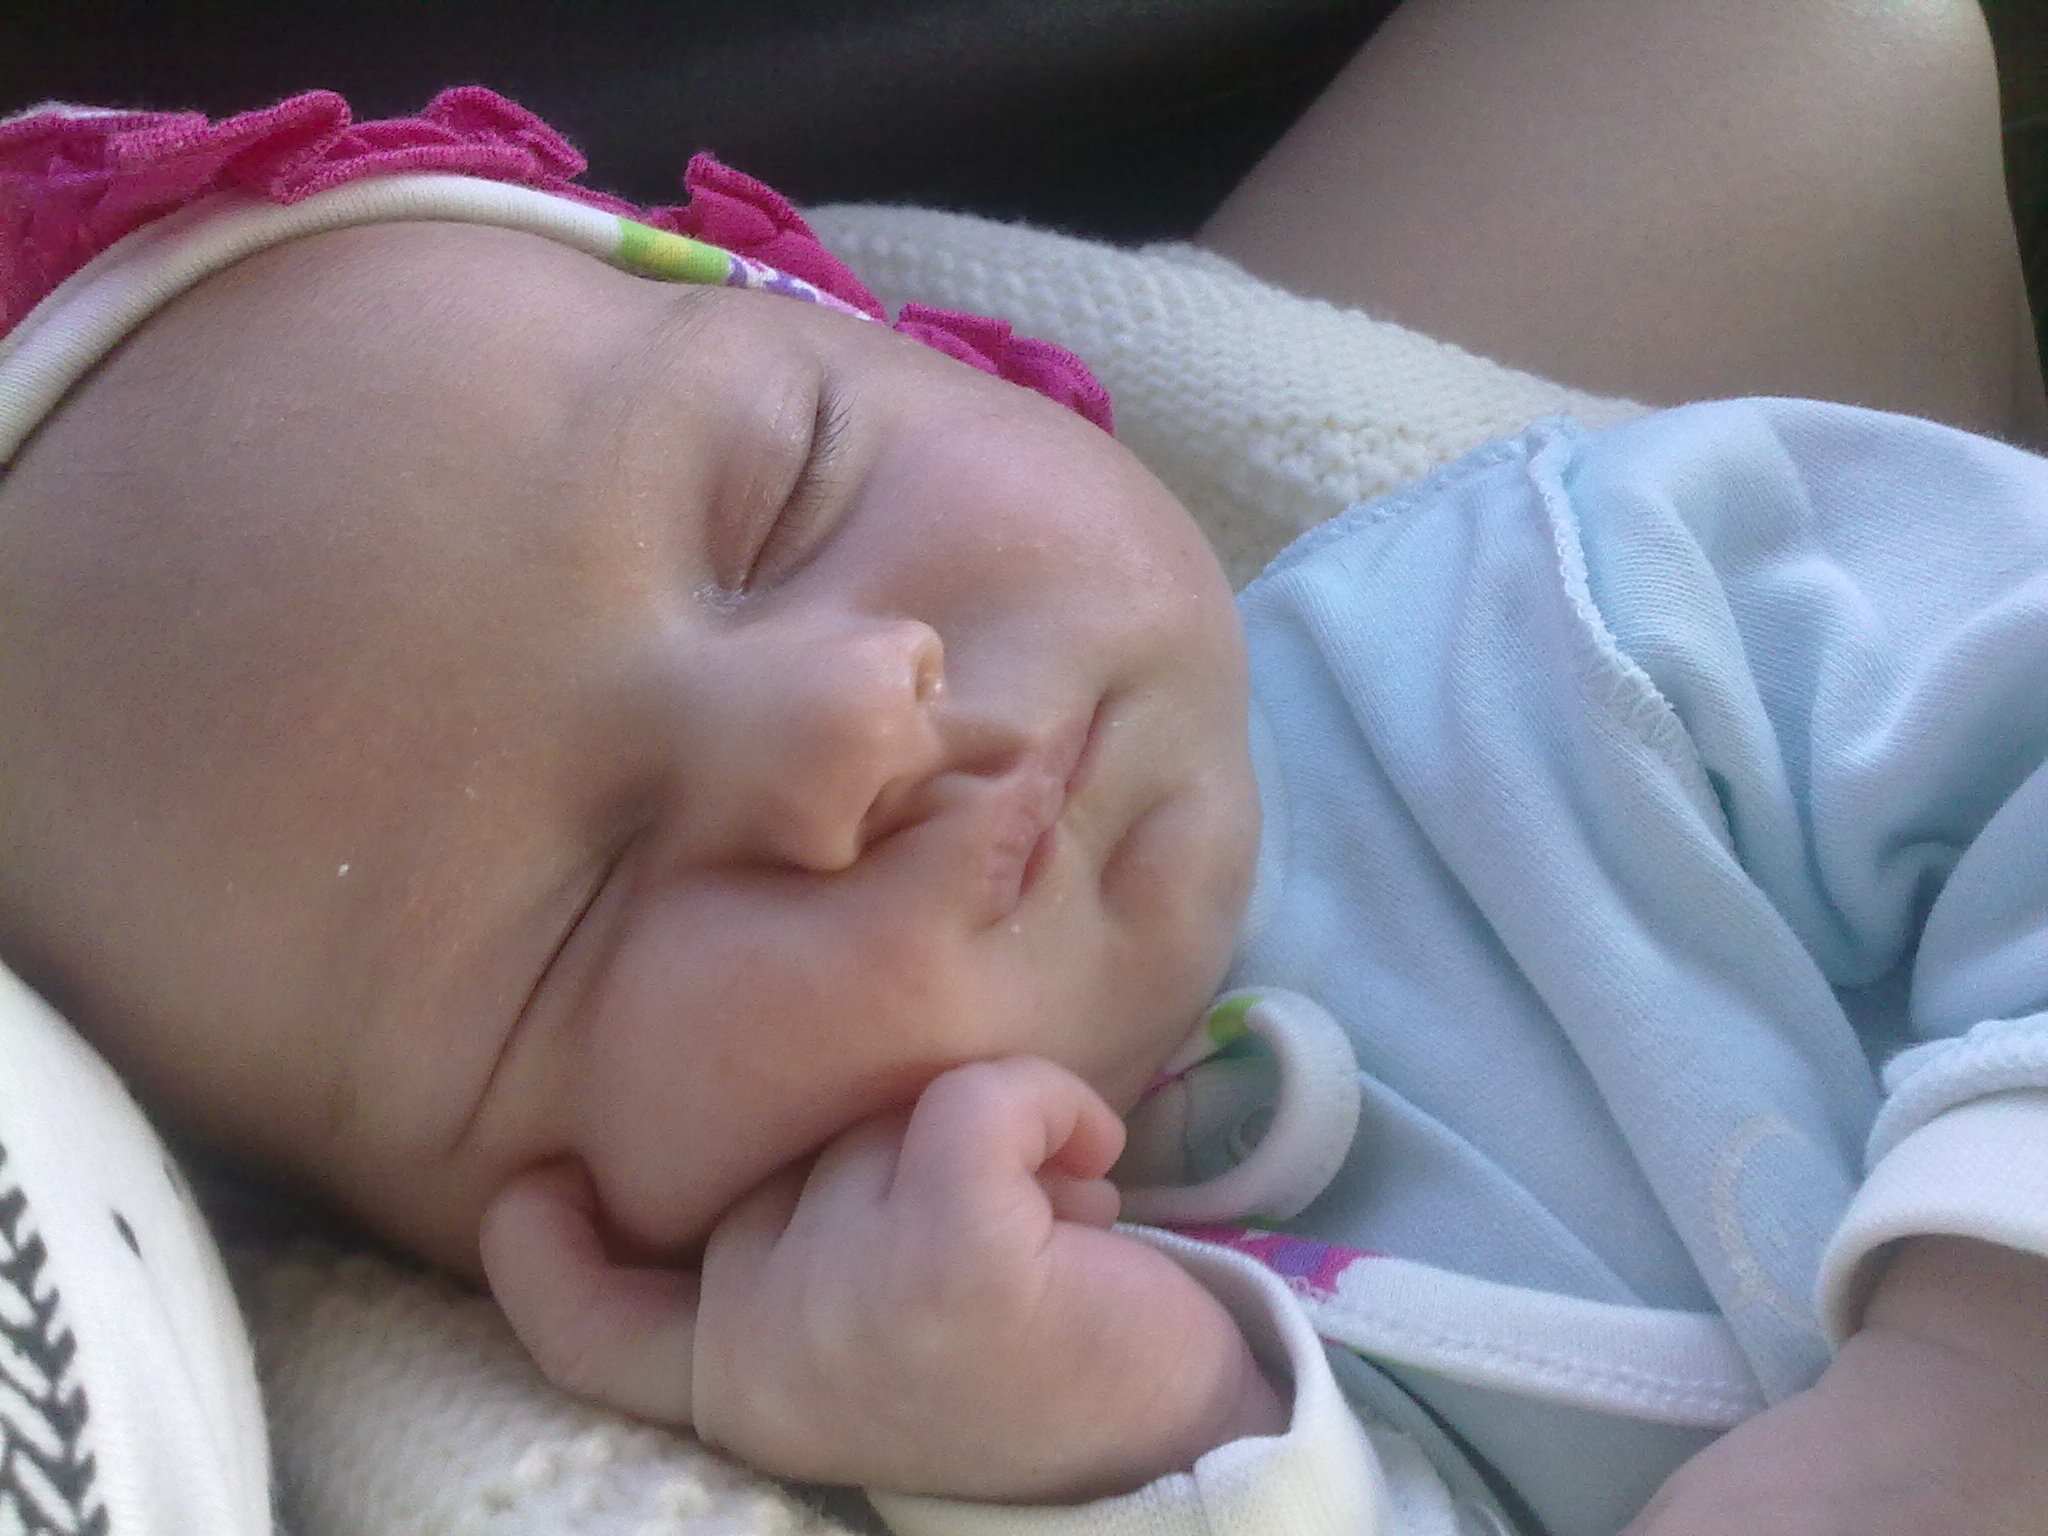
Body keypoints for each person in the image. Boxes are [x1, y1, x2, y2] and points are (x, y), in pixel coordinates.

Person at [0, 3, 2044, 1534]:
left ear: (927, 355)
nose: (841, 730)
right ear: (489, 1248)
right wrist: (1156, 1448)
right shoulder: (962, 1390)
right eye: (584, 905)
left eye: (789, 493)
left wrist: (1983, 1365)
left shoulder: (1590, 611)